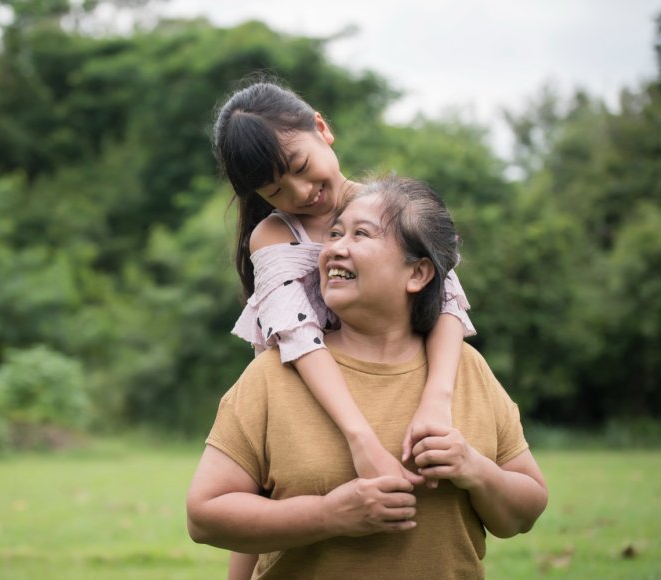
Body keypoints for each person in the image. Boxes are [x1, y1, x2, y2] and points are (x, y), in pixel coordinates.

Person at [186, 176, 548, 579]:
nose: (335, 248)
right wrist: (329, 515)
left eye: (361, 234)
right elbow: (204, 517)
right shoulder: (273, 374)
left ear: (419, 273)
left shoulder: (467, 369)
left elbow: (524, 513)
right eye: (335, 233)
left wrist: (475, 469)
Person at [212, 80, 475, 577]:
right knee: (259, 487)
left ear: (321, 128)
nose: (300, 194)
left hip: (391, 366)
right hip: (305, 379)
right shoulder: (274, 233)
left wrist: (436, 399)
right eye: (274, 190)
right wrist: (360, 438)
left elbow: (447, 305)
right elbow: (300, 338)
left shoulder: (391, 210)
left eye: (301, 169)